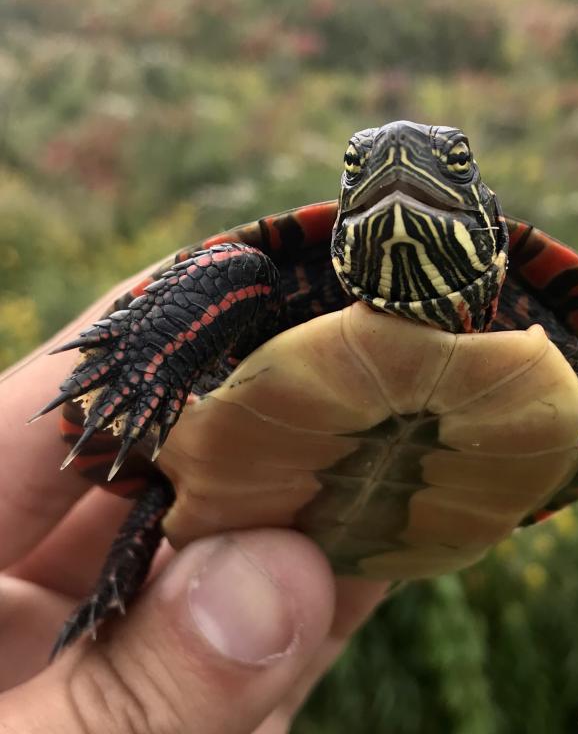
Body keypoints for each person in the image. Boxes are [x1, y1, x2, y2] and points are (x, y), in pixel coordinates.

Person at [0, 274, 387, 733]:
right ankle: (99, 617)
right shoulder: (285, 281)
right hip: (203, 475)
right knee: (245, 271)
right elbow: (239, 276)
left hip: (356, 506)